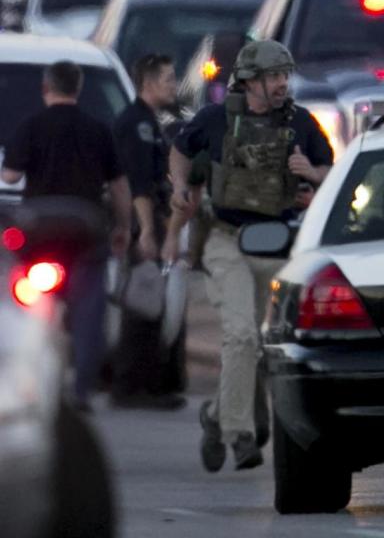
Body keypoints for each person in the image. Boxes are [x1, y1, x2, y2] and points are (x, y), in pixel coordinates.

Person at [165, 40, 333, 471]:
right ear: (249, 81)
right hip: (225, 240)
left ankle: (215, 414)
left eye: (284, 76)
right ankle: (239, 435)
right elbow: (180, 150)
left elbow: (331, 173)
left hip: (277, 243)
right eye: (274, 76)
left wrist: (311, 174)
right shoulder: (214, 118)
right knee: (241, 335)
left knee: (259, 344)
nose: (282, 84)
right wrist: (180, 187)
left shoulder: (301, 122)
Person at [1, 61, 132, 412]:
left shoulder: (29, 127)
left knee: (23, 303)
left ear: (46, 88)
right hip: (86, 229)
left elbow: (10, 178)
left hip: (38, 231)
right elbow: (119, 187)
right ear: (79, 88)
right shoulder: (98, 130)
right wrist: (124, 227)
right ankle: (81, 388)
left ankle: (25, 378)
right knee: (89, 309)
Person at [110, 53, 186, 410]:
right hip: (144, 221)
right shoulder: (136, 125)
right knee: (142, 303)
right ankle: (131, 386)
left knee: (151, 301)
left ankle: (150, 384)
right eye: (169, 79)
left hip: (151, 218)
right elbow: (138, 183)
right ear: (149, 83)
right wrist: (146, 232)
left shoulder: (149, 122)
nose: (174, 85)